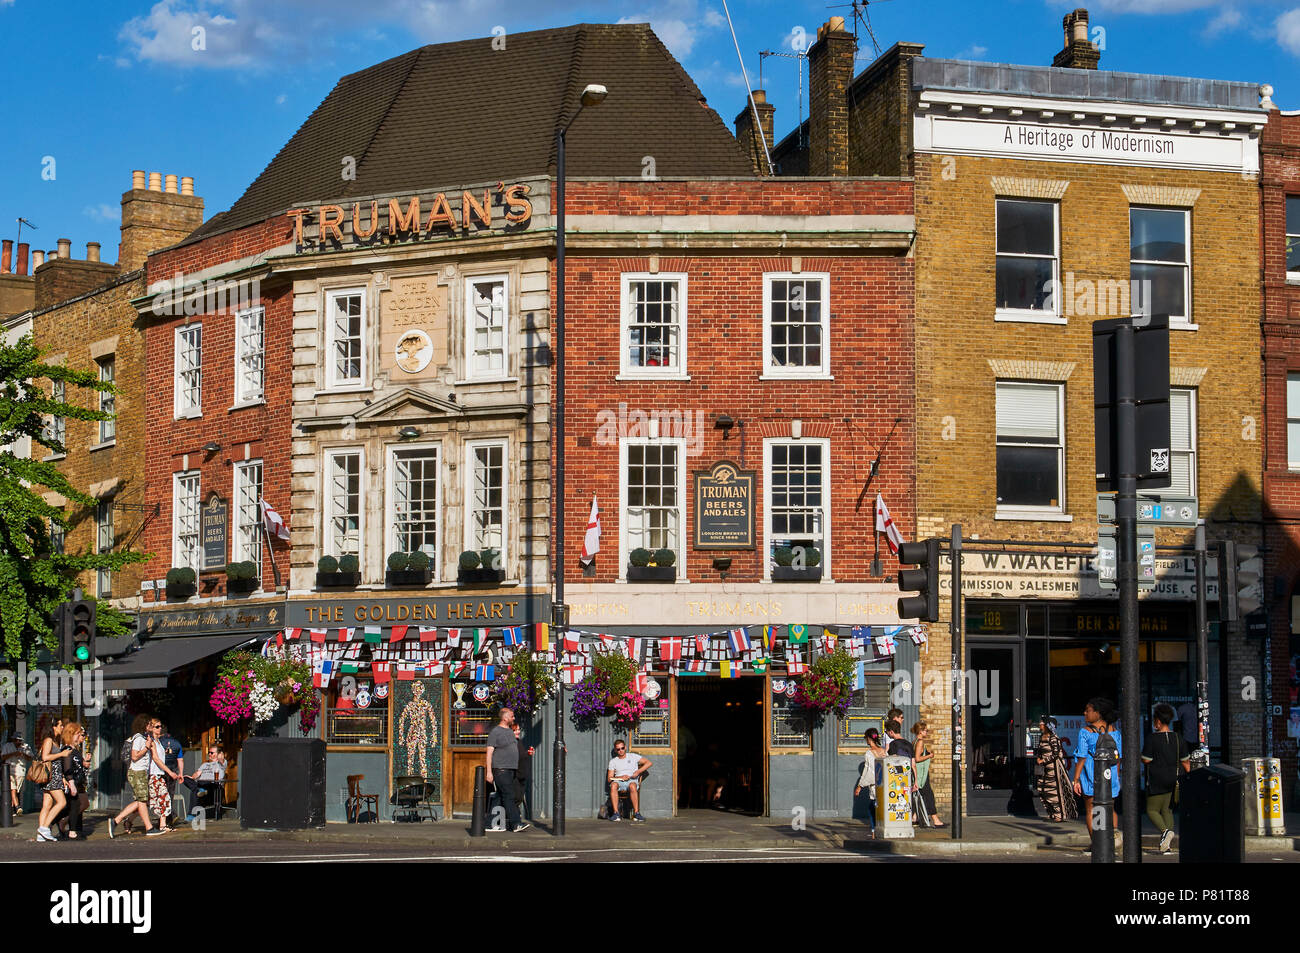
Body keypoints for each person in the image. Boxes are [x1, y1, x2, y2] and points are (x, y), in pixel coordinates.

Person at [109, 716, 172, 838]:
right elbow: (134, 756)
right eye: (149, 724)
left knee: (141, 801)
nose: (150, 726)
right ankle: (148, 828)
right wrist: (146, 747)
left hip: (142, 773)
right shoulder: (139, 738)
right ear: (144, 725)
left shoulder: (144, 738)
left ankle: (117, 820)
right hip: (137, 772)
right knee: (142, 801)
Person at [1072, 698, 1123, 850]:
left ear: (1098, 713)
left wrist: (1076, 779)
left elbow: (1081, 757)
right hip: (1111, 775)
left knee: (1091, 809)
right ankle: (1112, 840)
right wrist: (1117, 776)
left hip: (1091, 775)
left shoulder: (1085, 732)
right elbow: (1118, 756)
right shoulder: (1114, 731)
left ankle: (1097, 843)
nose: (1085, 713)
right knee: (1110, 808)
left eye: (1088, 710)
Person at [1142, 703, 1191, 854]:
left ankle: (1165, 832)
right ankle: (1166, 845)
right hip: (1174, 779)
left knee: (1151, 810)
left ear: (1157, 721)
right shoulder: (1178, 738)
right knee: (1167, 810)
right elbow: (1185, 761)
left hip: (1156, 779)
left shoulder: (1152, 739)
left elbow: (1146, 759)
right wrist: (1188, 778)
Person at [485, 707, 529, 832]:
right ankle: (516, 824)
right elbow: (489, 753)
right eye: (512, 716)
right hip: (501, 770)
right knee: (509, 795)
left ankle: (488, 824)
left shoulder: (510, 732)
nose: (513, 718)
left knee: (500, 796)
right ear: (505, 718)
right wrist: (489, 772)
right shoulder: (495, 732)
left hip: (511, 770)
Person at [1034, 716, 1078, 822]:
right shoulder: (1042, 737)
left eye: (1041, 723)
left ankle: (1059, 814)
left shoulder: (1053, 737)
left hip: (1053, 769)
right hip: (1044, 769)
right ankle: (1051, 813)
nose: (1040, 724)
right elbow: (1040, 751)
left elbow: (1056, 754)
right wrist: (1039, 758)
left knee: (1054, 791)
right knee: (1043, 790)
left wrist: (1043, 760)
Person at [35, 718, 70, 842]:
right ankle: (44, 828)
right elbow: (45, 757)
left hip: (55, 775)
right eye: (60, 725)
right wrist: (61, 754)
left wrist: (62, 777)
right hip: (51, 776)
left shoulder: (56, 741)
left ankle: (41, 834)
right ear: (53, 727)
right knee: (62, 802)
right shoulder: (49, 740)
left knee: (47, 805)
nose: (62, 728)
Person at [145, 719, 182, 832]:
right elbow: (156, 759)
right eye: (157, 726)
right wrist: (170, 772)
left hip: (160, 774)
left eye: (160, 726)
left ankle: (162, 825)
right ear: (151, 728)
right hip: (153, 775)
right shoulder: (151, 741)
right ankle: (126, 820)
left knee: (164, 799)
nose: (159, 728)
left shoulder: (159, 742)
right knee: (147, 802)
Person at [52, 723, 88, 839]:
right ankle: (69, 829)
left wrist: (85, 763)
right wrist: (71, 783)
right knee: (73, 805)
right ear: (70, 735)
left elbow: (77, 765)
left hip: (78, 782)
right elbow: (67, 768)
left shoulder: (74, 750)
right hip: (72, 783)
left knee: (76, 805)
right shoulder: (67, 749)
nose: (79, 737)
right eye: (77, 734)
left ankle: (59, 822)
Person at [607, 739, 651, 822]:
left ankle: (637, 813)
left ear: (625, 747)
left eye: (622, 748)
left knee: (633, 786)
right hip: (619, 781)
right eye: (618, 749)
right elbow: (609, 779)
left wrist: (638, 771)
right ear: (616, 750)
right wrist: (621, 777)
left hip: (631, 780)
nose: (620, 750)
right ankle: (616, 814)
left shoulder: (633, 756)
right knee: (613, 785)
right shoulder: (613, 761)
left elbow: (649, 763)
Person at [913, 720, 944, 827]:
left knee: (919, 794)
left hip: (920, 773)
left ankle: (914, 817)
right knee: (929, 795)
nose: (927, 732)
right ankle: (935, 820)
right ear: (920, 731)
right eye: (926, 730)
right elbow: (917, 758)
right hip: (922, 774)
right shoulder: (920, 742)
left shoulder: (915, 741)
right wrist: (929, 756)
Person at [182, 745, 227, 819]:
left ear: (218, 754)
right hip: (201, 785)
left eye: (212, 753)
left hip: (212, 787)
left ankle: (191, 815)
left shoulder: (221, 764)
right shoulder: (205, 764)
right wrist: (192, 777)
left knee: (195, 790)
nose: (209, 754)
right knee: (185, 778)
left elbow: (221, 759)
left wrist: (220, 754)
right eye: (209, 752)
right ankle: (199, 790)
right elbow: (197, 774)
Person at [854, 728, 887, 828]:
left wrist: (860, 786)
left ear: (868, 739)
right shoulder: (884, 751)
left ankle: (874, 831)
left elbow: (868, 771)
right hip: (886, 784)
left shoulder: (869, 753)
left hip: (875, 786)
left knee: (872, 808)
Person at [1, 735, 31, 815]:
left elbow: (30, 758)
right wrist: (14, 753)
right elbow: (3, 757)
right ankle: (17, 807)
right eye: (16, 740)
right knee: (13, 789)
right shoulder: (7, 746)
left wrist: (23, 754)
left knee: (16, 790)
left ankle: (12, 810)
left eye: (19, 740)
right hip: (9, 770)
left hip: (20, 771)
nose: (18, 742)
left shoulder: (26, 746)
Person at [512, 725, 534, 821]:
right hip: (515, 774)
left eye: (518, 729)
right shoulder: (512, 743)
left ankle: (515, 819)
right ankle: (515, 819)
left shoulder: (518, 742)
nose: (518, 732)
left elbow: (521, 756)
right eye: (515, 730)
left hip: (522, 774)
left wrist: (528, 753)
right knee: (516, 798)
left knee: (519, 797)